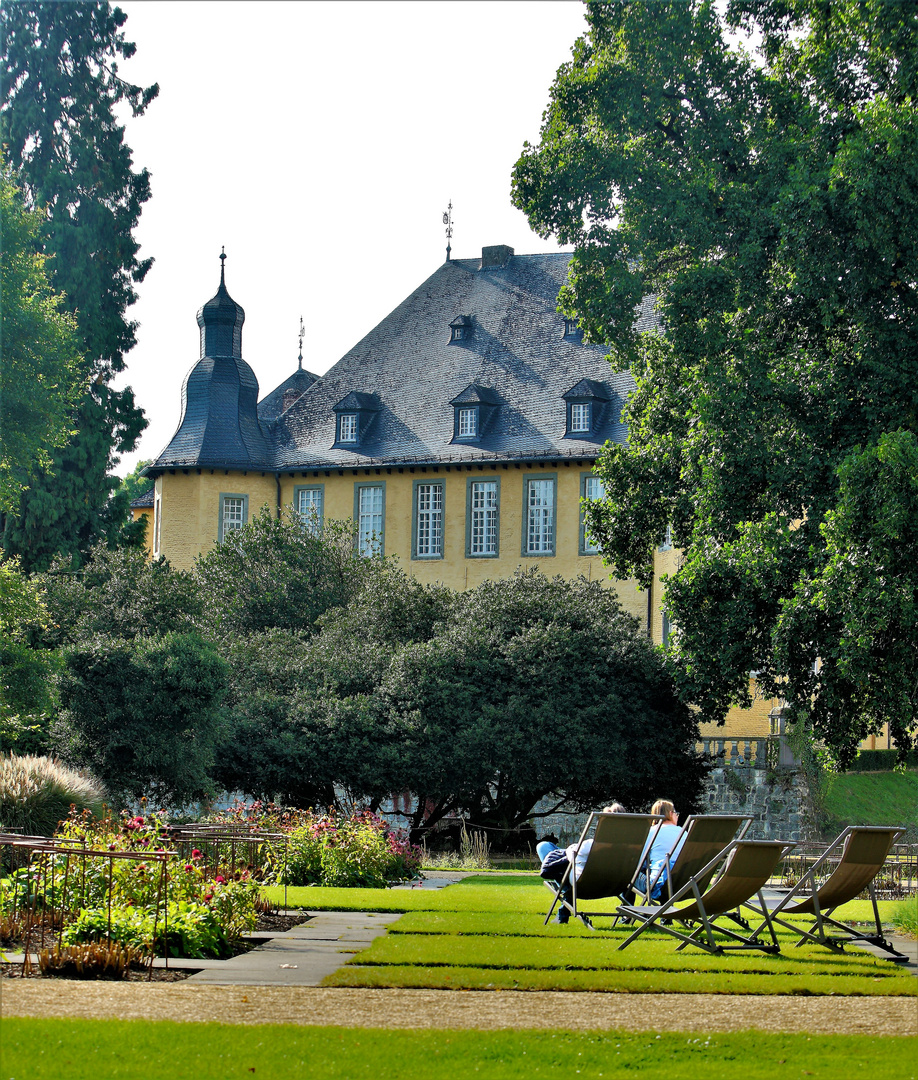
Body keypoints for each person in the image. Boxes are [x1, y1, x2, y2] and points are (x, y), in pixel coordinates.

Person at [537, 803, 625, 923]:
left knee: (544, 847)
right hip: (613, 886)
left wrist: (572, 848)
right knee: (550, 849)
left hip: (583, 886)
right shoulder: (632, 850)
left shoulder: (589, 845)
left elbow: (570, 854)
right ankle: (563, 912)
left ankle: (564, 909)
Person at [628, 799, 686, 903]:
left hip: (657, 886)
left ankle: (627, 913)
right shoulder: (684, 833)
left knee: (627, 871)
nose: (677, 816)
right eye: (676, 813)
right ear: (670, 813)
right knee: (665, 871)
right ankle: (666, 916)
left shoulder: (651, 832)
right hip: (683, 885)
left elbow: (638, 862)